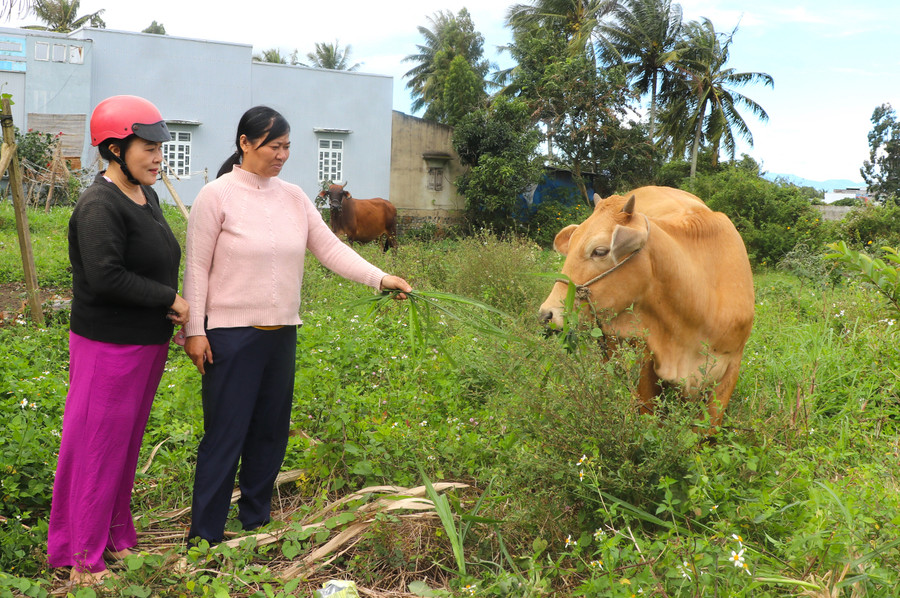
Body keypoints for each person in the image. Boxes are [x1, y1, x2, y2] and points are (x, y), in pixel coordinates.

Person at [182, 106, 411, 544]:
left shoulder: (294, 197)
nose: (282, 155)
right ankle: (204, 535)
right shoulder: (216, 196)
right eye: (274, 146)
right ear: (245, 144)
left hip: (281, 334)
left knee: (270, 432)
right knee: (225, 436)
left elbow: (330, 249)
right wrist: (195, 329)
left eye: (287, 146)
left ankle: (255, 522)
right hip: (229, 337)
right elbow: (195, 268)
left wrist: (380, 278)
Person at [47, 95, 190, 584]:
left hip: (144, 344)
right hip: (109, 347)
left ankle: (115, 536)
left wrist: (162, 304)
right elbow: (106, 277)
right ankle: (81, 558)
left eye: (159, 147)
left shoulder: (145, 196)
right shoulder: (97, 206)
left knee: (124, 446)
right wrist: (170, 298)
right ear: (114, 148)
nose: (158, 157)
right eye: (148, 147)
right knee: (96, 446)